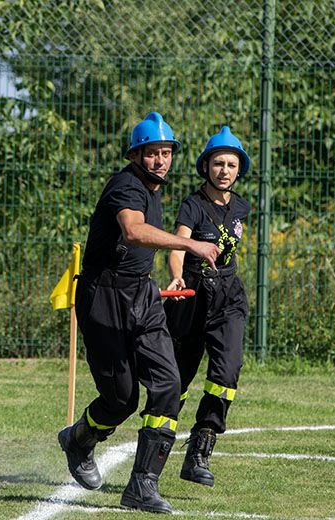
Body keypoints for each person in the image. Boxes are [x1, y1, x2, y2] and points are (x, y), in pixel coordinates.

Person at [58, 112, 221, 514]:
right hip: (103, 297)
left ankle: (142, 485)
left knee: (168, 385)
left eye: (166, 153)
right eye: (152, 153)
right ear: (136, 155)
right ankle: (79, 439)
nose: (161, 160)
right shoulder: (126, 186)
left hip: (143, 295)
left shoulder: (154, 192)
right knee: (121, 400)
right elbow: (133, 231)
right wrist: (190, 246)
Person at [163, 126, 251, 487]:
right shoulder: (192, 205)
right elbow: (177, 246)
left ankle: (200, 448)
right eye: (218, 163)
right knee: (176, 382)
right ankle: (155, 450)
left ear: (238, 170)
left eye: (232, 164)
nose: (225, 170)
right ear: (206, 167)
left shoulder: (242, 206)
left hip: (229, 297)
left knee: (227, 373)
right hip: (192, 296)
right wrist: (177, 276)